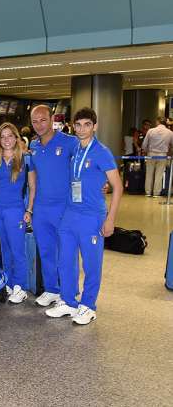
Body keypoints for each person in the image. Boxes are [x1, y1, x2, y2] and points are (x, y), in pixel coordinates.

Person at [46, 107, 123, 325]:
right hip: (71, 213)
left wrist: (110, 219)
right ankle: (69, 301)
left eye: (87, 124)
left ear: (95, 126)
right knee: (66, 260)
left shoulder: (102, 151)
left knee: (91, 263)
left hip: (92, 215)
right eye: (78, 125)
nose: (82, 129)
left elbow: (117, 186)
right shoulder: (75, 149)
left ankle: (88, 306)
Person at [28, 105, 79, 307]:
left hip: (64, 207)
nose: (39, 125)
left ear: (52, 120)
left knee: (67, 253)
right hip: (41, 208)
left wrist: (99, 183)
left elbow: (86, 163)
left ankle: (70, 295)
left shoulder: (70, 142)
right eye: (34, 121)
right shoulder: (33, 146)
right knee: (46, 251)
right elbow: (31, 178)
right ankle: (52, 289)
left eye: (43, 120)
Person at [0, 122, 36, 304]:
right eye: (2, 136)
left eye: (9, 136)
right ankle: (9, 282)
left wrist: (29, 209)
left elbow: (32, 187)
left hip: (15, 210)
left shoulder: (26, 159)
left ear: (16, 138)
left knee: (17, 249)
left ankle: (20, 286)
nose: (6, 140)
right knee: (3, 249)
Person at [142, 117, 173, 197]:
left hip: (151, 154)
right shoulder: (170, 132)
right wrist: (169, 152)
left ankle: (148, 192)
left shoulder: (151, 131)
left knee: (149, 174)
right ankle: (156, 193)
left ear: (158, 122)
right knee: (159, 175)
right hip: (162, 155)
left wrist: (145, 151)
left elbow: (144, 144)